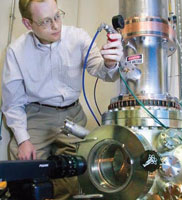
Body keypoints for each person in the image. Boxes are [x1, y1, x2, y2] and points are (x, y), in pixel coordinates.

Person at [1, 0, 123, 199]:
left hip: (72, 113)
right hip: (36, 117)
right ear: (28, 23)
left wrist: (110, 63)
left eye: (57, 16)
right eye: (46, 21)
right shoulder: (16, 51)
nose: (56, 25)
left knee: (75, 176)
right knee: (24, 173)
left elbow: (103, 71)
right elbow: (13, 102)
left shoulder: (77, 37)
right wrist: (23, 140)